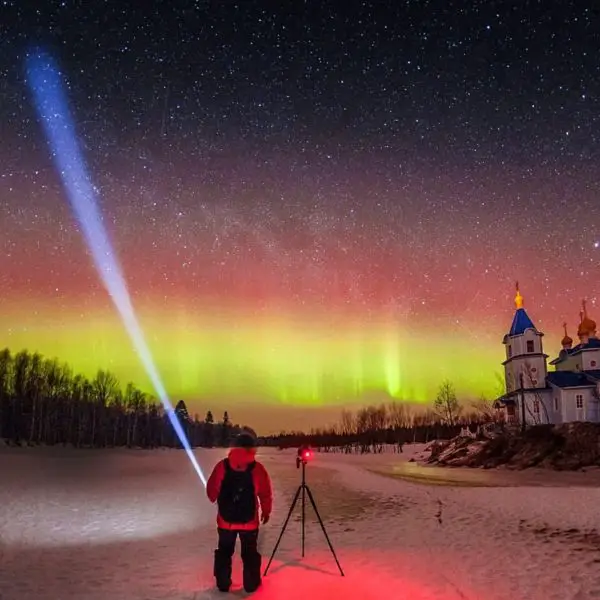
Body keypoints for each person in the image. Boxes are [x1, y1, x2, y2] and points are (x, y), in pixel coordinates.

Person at [206, 431, 273, 593]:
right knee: (249, 553)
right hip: (249, 523)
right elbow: (265, 493)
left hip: (225, 522)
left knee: (224, 551)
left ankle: (223, 583)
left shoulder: (222, 466)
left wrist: (218, 497)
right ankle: (251, 584)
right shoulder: (258, 469)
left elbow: (211, 493)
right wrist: (266, 511)